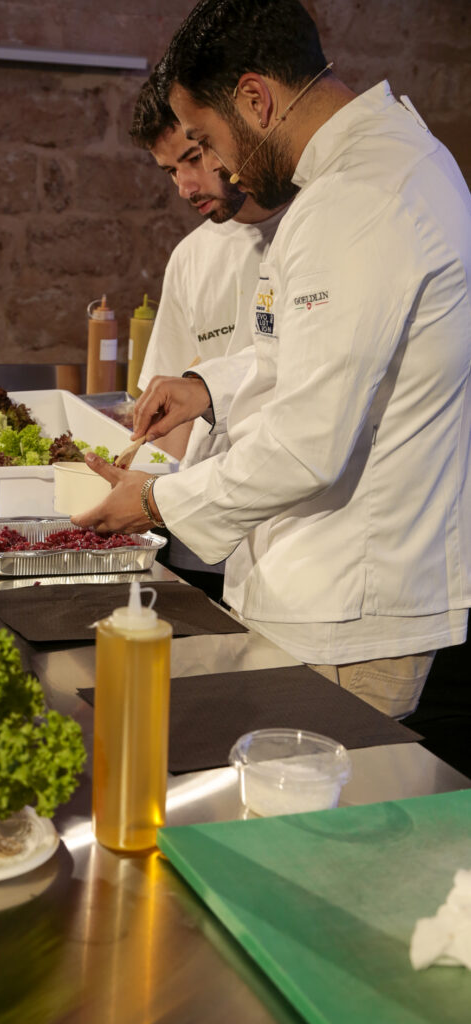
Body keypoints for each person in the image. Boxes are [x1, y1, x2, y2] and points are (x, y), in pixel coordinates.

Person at [73, 0, 471, 719]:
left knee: (311, 795)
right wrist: (206, 386)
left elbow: (306, 444)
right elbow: (312, 357)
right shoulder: (387, 162)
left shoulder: (356, 198)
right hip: (325, 588)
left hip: (343, 603)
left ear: (255, 99)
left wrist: (155, 499)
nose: (218, 168)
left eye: (204, 141)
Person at [130, 74, 288, 599]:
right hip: (198, 539)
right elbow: (166, 414)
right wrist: (142, 494)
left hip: (290, 535)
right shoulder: (191, 257)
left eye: (193, 158)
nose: (185, 186)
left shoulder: (309, 230)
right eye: (170, 171)